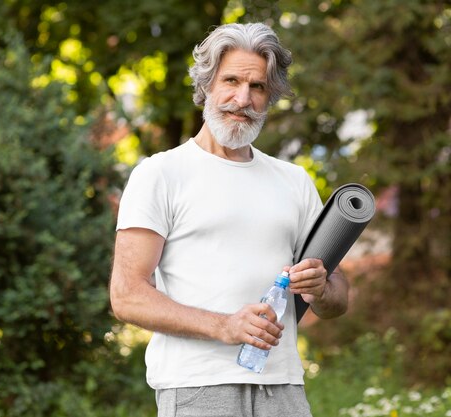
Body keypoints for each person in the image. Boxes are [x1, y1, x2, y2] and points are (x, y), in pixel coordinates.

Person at [109, 22, 349, 417]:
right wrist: (223, 326)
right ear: (206, 85)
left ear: (270, 96)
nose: (243, 98)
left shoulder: (295, 181)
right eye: (231, 80)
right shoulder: (161, 174)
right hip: (197, 389)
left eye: (257, 87)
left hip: (284, 389)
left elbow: (337, 297)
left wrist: (322, 287)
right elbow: (126, 295)